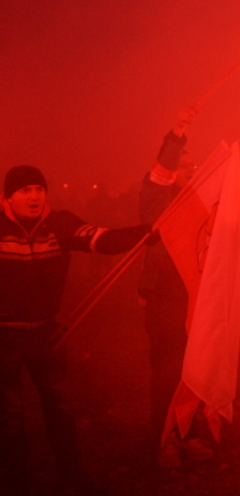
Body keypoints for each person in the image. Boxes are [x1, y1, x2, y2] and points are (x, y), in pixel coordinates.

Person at [0, 165, 151, 492]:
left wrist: (145, 232)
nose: (34, 196)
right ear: (7, 198)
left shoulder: (60, 223)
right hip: (4, 337)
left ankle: (70, 470)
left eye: (39, 189)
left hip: (46, 334)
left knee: (59, 405)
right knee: (9, 412)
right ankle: (17, 476)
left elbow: (102, 239)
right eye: (25, 191)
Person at [137, 107, 214, 468]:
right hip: (165, 299)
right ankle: (162, 439)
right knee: (168, 370)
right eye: (184, 166)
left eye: (193, 166)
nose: (190, 171)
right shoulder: (158, 202)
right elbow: (160, 175)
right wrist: (178, 132)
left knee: (193, 369)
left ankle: (187, 434)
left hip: (193, 299)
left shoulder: (199, 204)